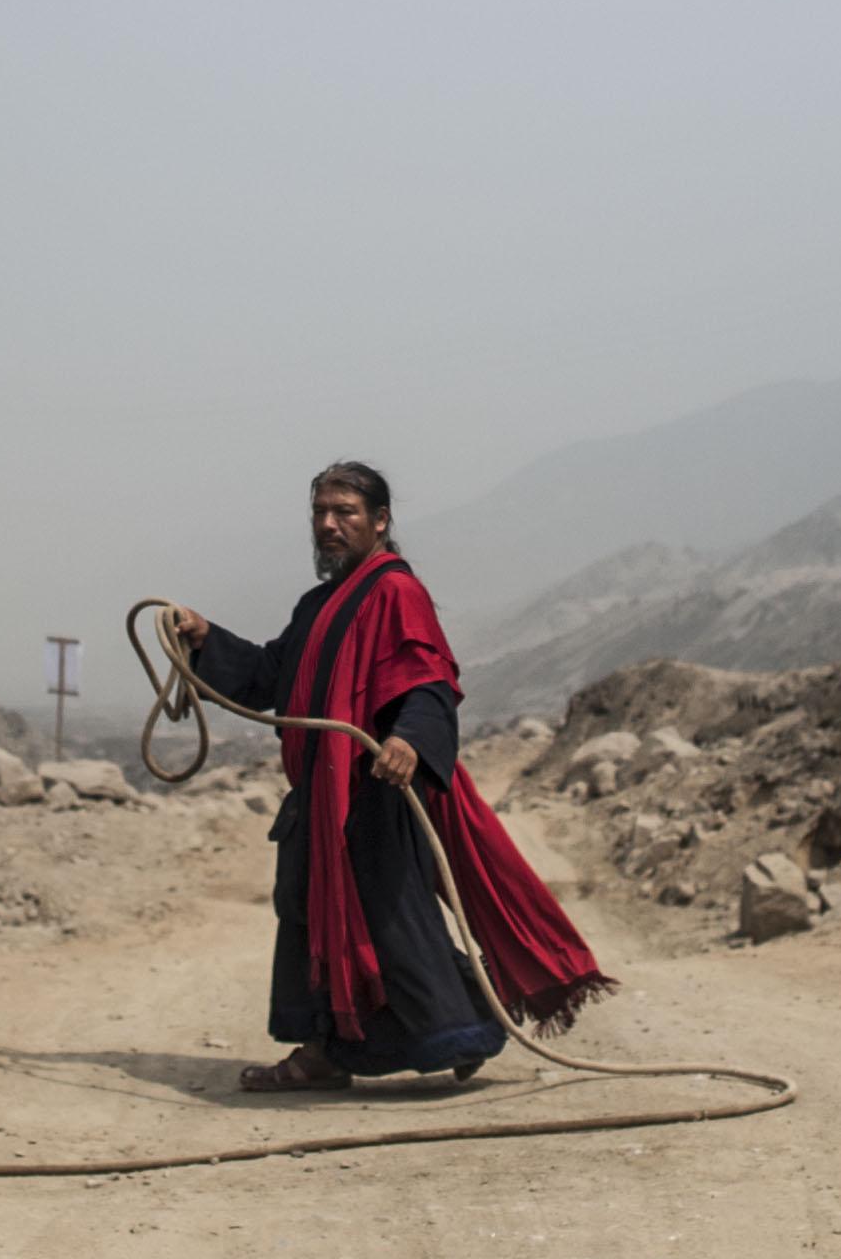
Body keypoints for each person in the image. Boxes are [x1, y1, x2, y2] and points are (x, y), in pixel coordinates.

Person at [164, 463, 609, 1092]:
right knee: (308, 913)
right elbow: (271, 677)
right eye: (320, 512)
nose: (328, 524)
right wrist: (207, 639)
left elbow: (428, 679)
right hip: (319, 800)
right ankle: (326, 1052)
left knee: (393, 931)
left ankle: (467, 1023)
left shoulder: (396, 592)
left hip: (374, 796)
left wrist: (409, 739)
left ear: (380, 521)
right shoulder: (319, 604)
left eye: (344, 512)